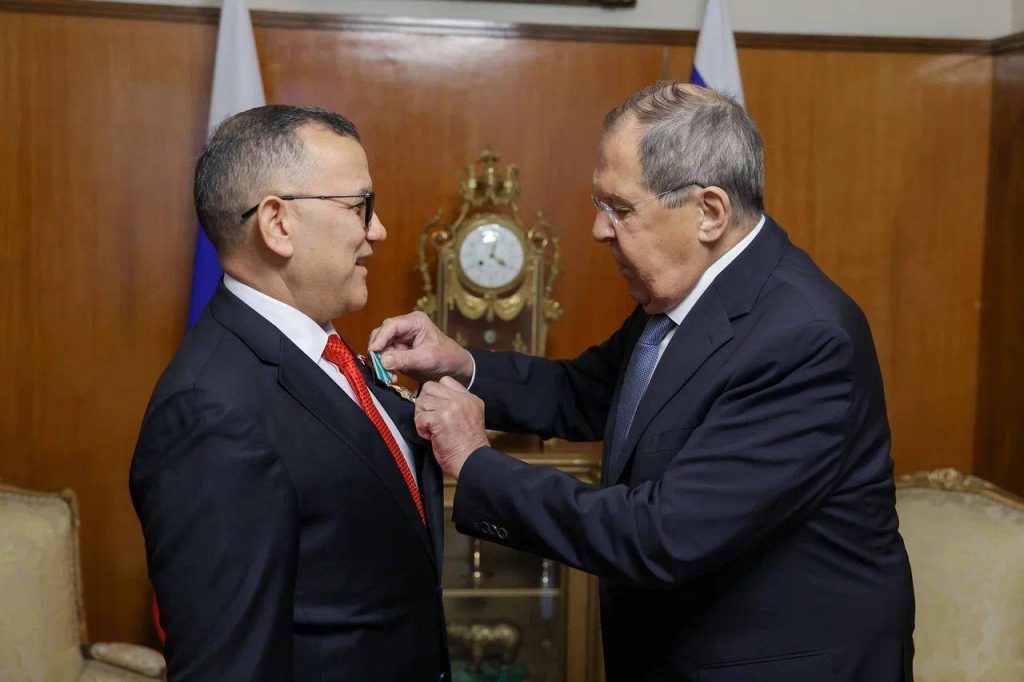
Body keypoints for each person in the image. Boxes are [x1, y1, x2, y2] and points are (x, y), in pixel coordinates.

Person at [371, 83, 914, 682]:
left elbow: (662, 534)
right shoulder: (692, 291)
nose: (599, 230)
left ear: (709, 213)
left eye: (620, 209)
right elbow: (585, 392)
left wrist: (476, 462)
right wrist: (458, 362)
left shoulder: (804, 337)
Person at [130, 105, 449, 681]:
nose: (377, 229)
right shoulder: (210, 412)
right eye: (359, 205)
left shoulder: (323, 349)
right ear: (277, 222)